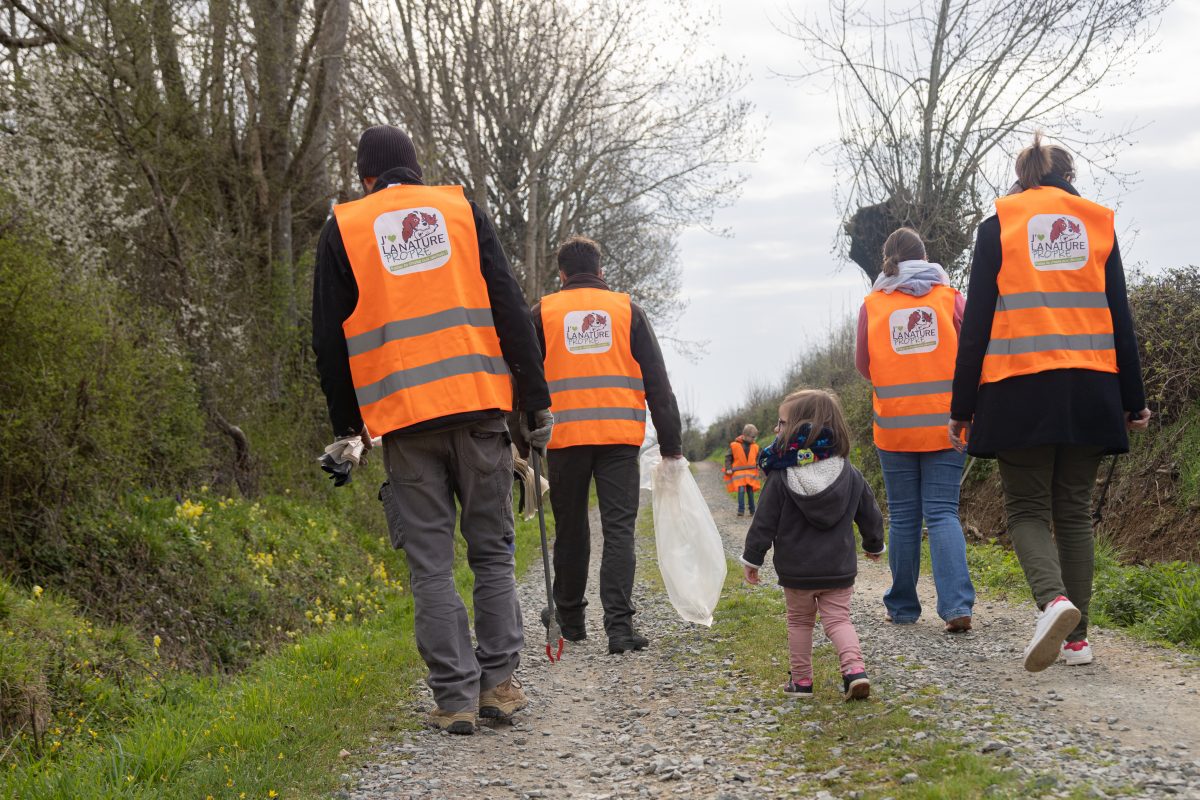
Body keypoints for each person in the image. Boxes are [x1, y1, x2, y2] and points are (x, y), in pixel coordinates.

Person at [312, 125, 554, 734]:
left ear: (365, 177)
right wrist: (536, 402)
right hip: (479, 413)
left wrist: (348, 429)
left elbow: (328, 339)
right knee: (493, 555)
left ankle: (455, 699)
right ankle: (498, 684)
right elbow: (508, 303)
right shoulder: (460, 209)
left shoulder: (345, 228)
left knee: (431, 567)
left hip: (404, 423)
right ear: (416, 169)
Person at [949, 133, 1150, 673]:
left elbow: (978, 326)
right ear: (1070, 175)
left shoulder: (1000, 224)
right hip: (1091, 386)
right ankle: (1078, 641)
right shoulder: (1097, 223)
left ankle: (1054, 602)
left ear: (1022, 177)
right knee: (1075, 513)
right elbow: (1119, 316)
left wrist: (961, 406)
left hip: (1019, 387)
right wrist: (1134, 398)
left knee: (1027, 508)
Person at [531, 235, 684, 655]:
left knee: (571, 529)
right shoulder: (626, 311)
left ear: (561, 274)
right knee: (619, 530)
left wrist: (520, 434)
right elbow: (658, 381)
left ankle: (572, 620)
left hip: (563, 439)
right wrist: (671, 442)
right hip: (619, 438)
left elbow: (523, 378)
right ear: (600, 272)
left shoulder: (542, 313)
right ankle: (619, 628)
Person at [856, 227, 976, 633]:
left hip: (894, 426)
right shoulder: (950, 298)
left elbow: (863, 363)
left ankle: (903, 607)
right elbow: (973, 350)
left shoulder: (872, 305)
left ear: (886, 260)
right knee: (942, 513)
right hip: (948, 423)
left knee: (905, 516)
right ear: (926, 257)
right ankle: (957, 605)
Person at [740, 389, 885, 700]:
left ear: (801, 428)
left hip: (797, 571)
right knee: (838, 620)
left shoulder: (781, 477)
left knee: (800, 622)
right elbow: (870, 514)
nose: (776, 430)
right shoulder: (850, 473)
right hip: (838, 568)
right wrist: (874, 545)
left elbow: (763, 522)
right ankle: (854, 671)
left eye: (781, 423)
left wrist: (753, 559)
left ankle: (802, 682)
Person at [724, 424, 762, 517]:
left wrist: (758, 463)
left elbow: (758, 456)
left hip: (750, 473)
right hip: (739, 473)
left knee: (750, 491)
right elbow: (728, 457)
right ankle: (741, 510)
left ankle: (752, 510)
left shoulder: (755, 446)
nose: (754, 439)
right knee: (741, 490)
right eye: (752, 437)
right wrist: (728, 468)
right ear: (745, 435)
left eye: (755, 437)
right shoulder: (734, 445)